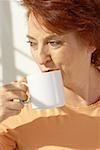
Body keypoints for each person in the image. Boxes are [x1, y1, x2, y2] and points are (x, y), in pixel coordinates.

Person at [0, 0, 100, 149]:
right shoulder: (13, 110)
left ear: (91, 42)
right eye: (32, 43)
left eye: (54, 43)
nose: (40, 58)